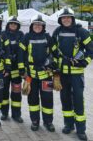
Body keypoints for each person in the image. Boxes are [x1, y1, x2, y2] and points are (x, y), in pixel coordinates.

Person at [52, 8, 93, 141]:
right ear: (60, 19)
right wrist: (53, 64)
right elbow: (52, 49)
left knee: (78, 100)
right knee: (65, 100)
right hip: (62, 73)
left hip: (76, 74)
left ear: (72, 18)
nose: (66, 19)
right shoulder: (57, 32)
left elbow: (91, 50)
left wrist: (84, 62)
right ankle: (68, 125)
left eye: (68, 17)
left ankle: (81, 129)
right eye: (63, 18)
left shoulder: (81, 31)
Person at [18, 15, 58, 132]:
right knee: (33, 99)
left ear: (43, 26)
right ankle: (35, 121)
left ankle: (48, 122)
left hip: (46, 74)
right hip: (31, 75)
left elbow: (56, 54)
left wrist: (53, 64)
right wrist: (22, 70)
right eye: (35, 24)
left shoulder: (48, 38)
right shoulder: (26, 38)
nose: (37, 26)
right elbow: (21, 54)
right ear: (32, 26)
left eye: (40, 25)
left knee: (47, 99)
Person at [0, 16, 24, 123]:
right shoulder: (3, 35)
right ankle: (4, 113)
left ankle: (16, 114)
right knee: (4, 92)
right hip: (5, 69)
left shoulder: (21, 35)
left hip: (17, 69)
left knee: (16, 92)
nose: (13, 25)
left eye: (15, 24)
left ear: (17, 25)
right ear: (8, 25)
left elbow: (24, 51)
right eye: (11, 24)